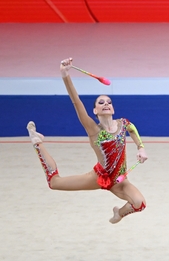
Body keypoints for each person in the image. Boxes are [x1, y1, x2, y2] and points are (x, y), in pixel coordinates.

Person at [27, 58, 148, 224]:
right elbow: (76, 102)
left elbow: (132, 128)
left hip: (119, 181)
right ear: (95, 110)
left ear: (113, 108)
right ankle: (37, 142)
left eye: (109, 102)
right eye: (101, 102)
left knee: (139, 204)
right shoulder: (94, 130)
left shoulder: (122, 123)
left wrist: (141, 148)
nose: (106, 104)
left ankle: (119, 213)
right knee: (54, 183)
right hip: (98, 177)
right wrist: (65, 75)